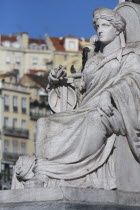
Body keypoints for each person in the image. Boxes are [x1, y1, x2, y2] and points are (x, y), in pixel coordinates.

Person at [15, 8, 140, 190]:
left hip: (114, 110)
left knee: (93, 119)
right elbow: (81, 93)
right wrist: (59, 84)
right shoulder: (92, 62)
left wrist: (110, 93)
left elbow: (134, 79)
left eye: (105, 25)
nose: (100, 29)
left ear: (118, 29)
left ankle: (67, 173)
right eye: (97, 26)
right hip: (86, 108)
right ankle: (43, 173)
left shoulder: (129, 57)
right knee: (44, 123)